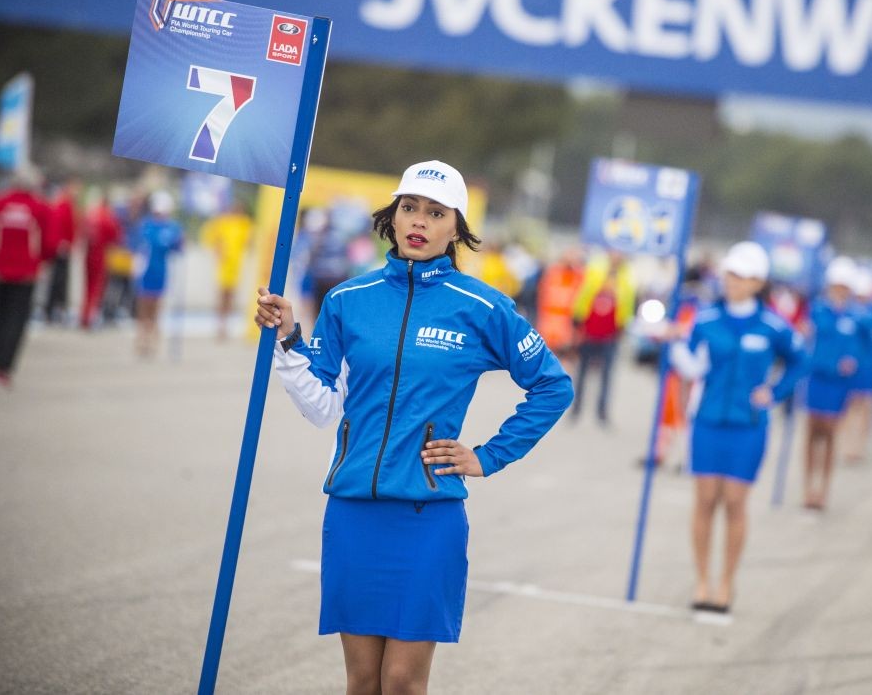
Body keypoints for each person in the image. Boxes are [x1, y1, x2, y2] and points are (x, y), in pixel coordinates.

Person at [255, 160, 572, 694]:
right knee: (362, 682)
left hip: (429, 517)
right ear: (393, 217)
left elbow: (553, 386)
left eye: (436, 212)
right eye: (410, 208)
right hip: (353, 510)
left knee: (402, 682)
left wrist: (489, 455)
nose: (419, 221)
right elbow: (323, 407)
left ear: (457, 229)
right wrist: (288, 341)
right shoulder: (347, 300)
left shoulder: (482, 307)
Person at [669, 242, 808, 613]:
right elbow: (688, 361)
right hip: (708, 421)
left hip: (748, 425)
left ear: (758, 282)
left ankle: (726, 583)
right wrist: (674, 345)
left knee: (734, 502)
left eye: (743, 276)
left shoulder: (773, 325)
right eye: (730, 273)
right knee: (704, 500)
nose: (734, 281)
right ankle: (702, 581)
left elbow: (799, 360)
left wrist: (775, 392)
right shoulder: (706, 319)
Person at [0, 168, 56, 387]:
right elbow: (50, 244)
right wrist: (38, 261)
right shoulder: (40, 207)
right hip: (26, 275)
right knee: (16, 321)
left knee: (0, 318)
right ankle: (3, 369)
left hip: (1, 272)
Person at [801, 257, 862, 510]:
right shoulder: (817, 310)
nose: (840, 290)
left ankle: (823, 490)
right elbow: (808, 341)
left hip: (839, 384)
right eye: (837, 285)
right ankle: (808, 488)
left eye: (844, 286)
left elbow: (857, 350)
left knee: (829, 434)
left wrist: (851, 364)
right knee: (812, 433)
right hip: (817, 379)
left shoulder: (854, 316)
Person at [570, 250, 635, 426]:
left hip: (610, 334)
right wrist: (577, 320)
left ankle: (602, 412)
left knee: (606, 375)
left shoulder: (627, 277)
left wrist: (624, 325)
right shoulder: (596, 271)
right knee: (582, 372)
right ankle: (576, 408)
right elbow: (583, 296)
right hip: (590, 331)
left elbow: (628, 304)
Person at [840, 266, 872, 462]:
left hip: (867, 367)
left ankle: (859, 446)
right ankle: (847, 444)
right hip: (849, 367)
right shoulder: (847, 311)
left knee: (864, 406)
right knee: (848, 405)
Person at [131, 190, 183, 357]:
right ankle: (142, 339)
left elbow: (177, 249)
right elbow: (137, 246)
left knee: (156, 308)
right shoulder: (145, 225)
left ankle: (152, 340)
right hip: (145, 271)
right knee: (143, 307)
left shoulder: (172, 227)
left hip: (161, 271)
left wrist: (180, 241)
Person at [199, 197, 253, 341]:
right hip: (224, 264)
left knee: (230, 295)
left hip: (236, 265)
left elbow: (248, 241)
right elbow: (213, 239)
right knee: (222, 294)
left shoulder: (244, 223)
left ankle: (225, 324)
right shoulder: (223, 222)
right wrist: (218, 253)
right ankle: (220, 324)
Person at [80, 189, 123, 329]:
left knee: (88, 287)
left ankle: (84, 316)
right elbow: (116, 236)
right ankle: (90, 317)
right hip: (100, 255)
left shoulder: (90, 215)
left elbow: (82, 232)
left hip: (89, 253)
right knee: (96, 288)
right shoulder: (106, 217)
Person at [535, 247, 584, 367]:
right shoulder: (553, 273)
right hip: (550, 318)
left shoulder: (578, 275)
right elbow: (543, 295)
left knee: (565, 353)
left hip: (567, 320)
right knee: (548, 352)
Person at [44, 177, 80, 323]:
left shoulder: (68, 204)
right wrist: (60, 242)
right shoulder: (63, 204)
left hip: (65, 246)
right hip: (61, 248)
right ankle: (52, 309)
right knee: (58, 280)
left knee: (62, 280)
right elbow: (59, 225)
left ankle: (57, 308)